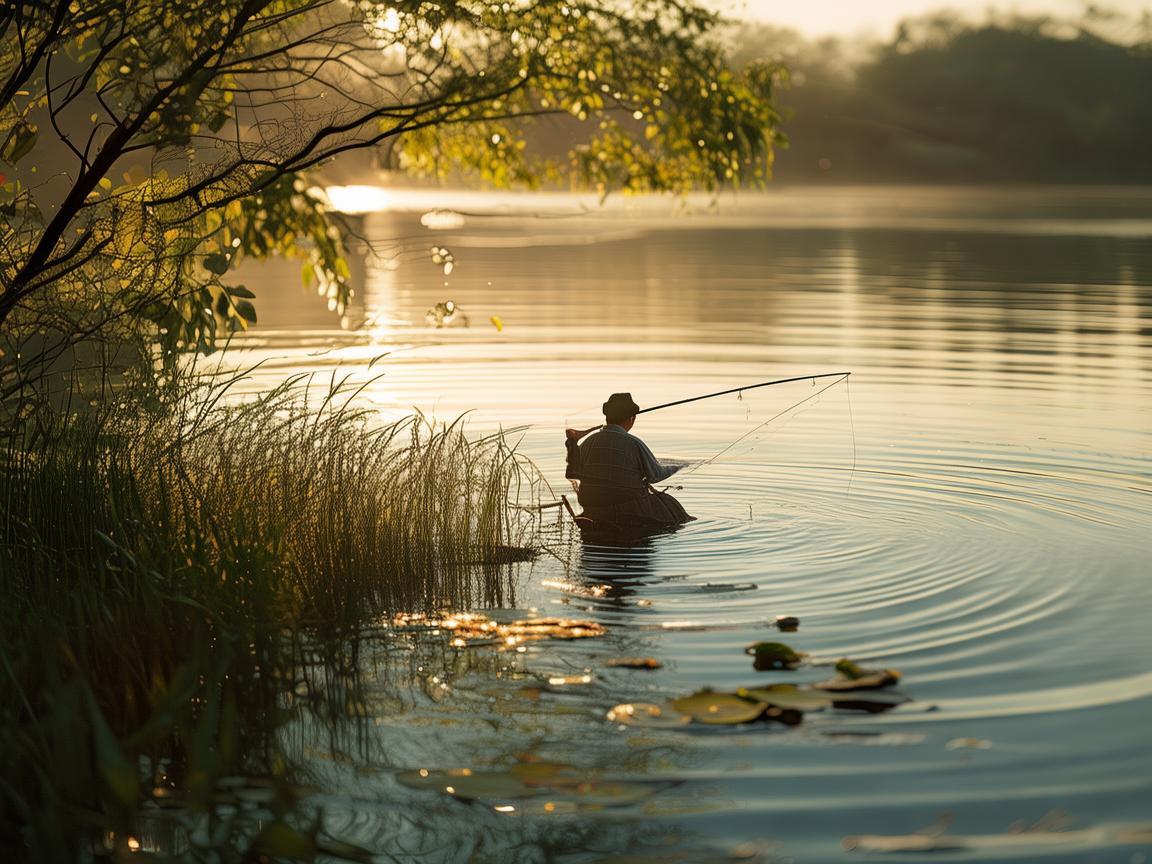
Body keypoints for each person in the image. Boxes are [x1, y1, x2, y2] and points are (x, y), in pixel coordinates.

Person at [564, 392, 694, 530]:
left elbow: (574, 468)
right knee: (673, 509)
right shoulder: (634, 443)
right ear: (631, 419)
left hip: (593, 508)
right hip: (629, 510)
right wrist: (678, 466)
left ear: (607, 417)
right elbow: (656, 476)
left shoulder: (588, 442)